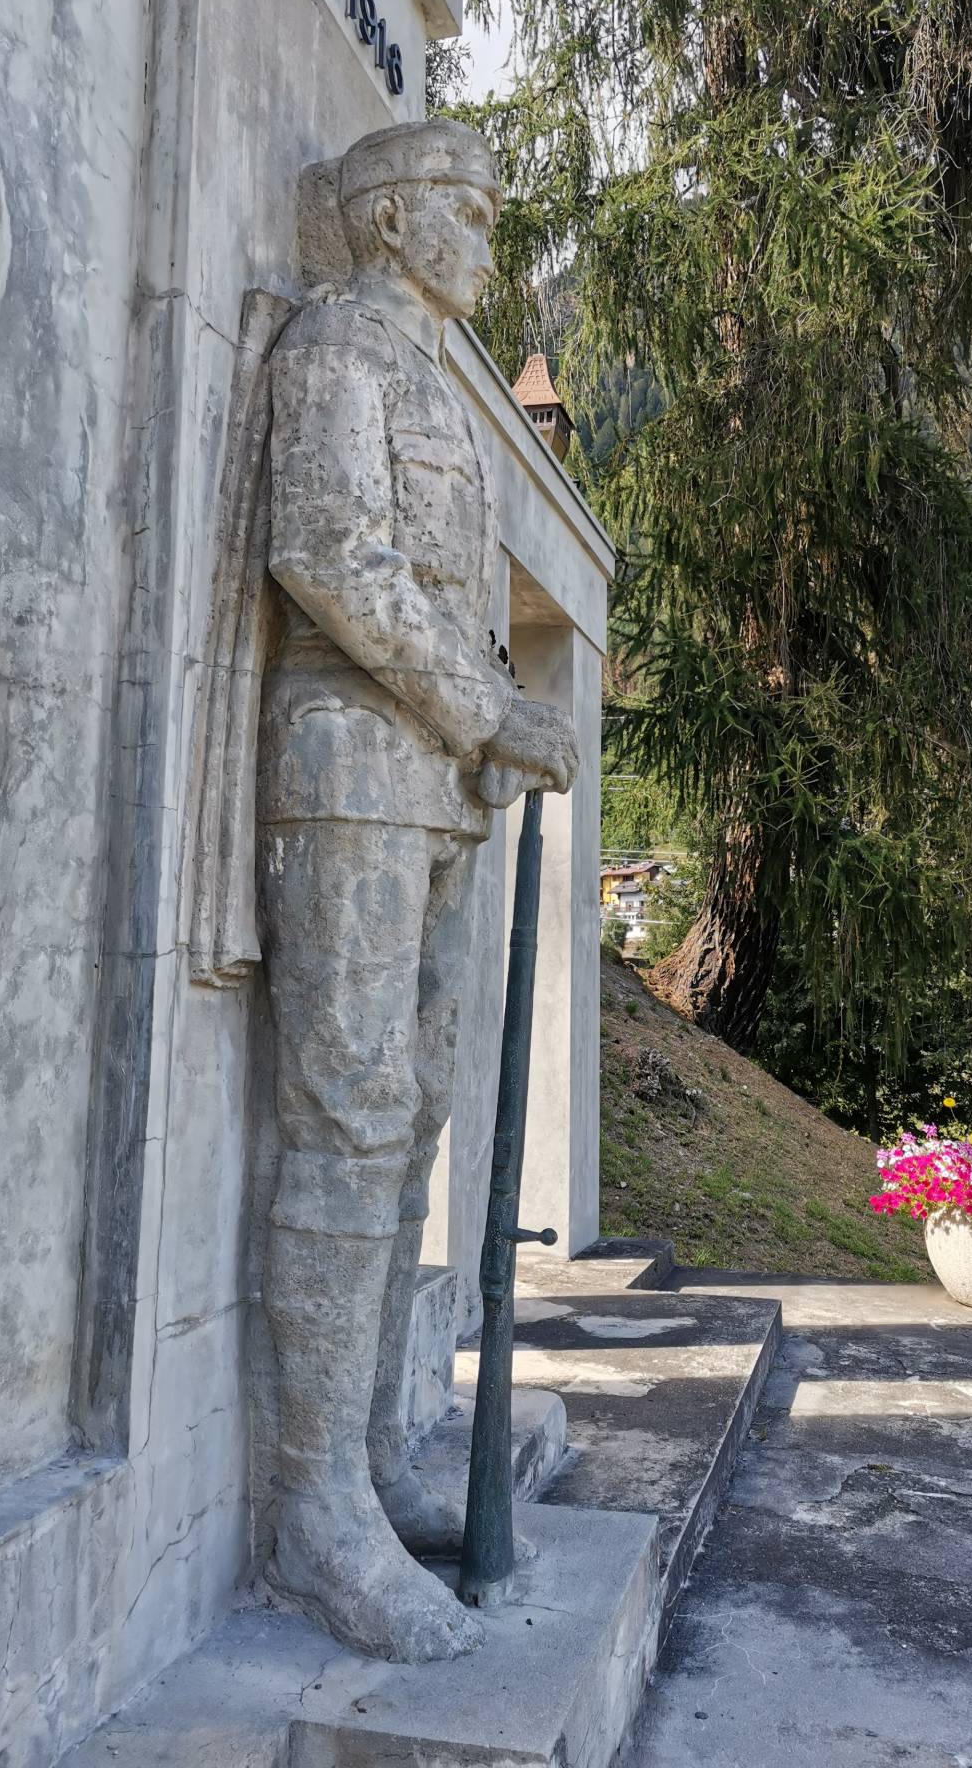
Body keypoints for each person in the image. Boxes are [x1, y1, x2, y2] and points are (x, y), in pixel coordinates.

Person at [255, 119, 578, 1662]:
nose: (484, 238)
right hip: (347, 770)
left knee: (407, 1133)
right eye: (463, 208)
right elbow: (327, 553)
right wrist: (483, 703)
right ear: (390, 223)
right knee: (347, 1119)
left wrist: (492, 727)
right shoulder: (341, 352)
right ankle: (311, 1506)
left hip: (434, 791)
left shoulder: (433, 377)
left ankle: (373, 1458)